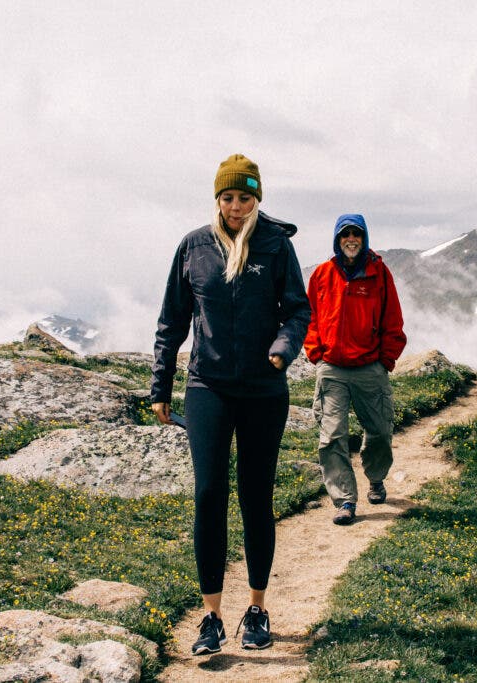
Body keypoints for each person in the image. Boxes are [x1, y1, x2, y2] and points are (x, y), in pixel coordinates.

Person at [150, 154, 310, 655]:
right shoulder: (194, 247)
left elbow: (297, 308)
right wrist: (160, 386)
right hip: (209, 388)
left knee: (256, 497)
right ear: (217, 198)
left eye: (245, 197)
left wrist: (283, 349)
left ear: (257, 197)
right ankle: (211, 617)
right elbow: (172, 322)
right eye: (228, 197)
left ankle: (258, 608)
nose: (237, 206)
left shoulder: (276, 245)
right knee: (208, 496)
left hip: (264, 389)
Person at [303, 213, 407, 525]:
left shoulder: (379, 273)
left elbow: (393, 319)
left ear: (364, 239)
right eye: (345, 234)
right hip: (332, 369)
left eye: (357, 234)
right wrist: (316, 353)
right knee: (332, 436)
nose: (351, 239)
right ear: (337, 239)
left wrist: (385, 360)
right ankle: (345, 500)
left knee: (379, 431)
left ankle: (375, 478)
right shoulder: (322, 274)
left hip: (370, 369)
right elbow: (309, 316)